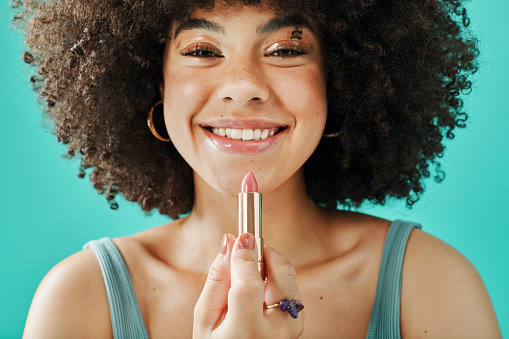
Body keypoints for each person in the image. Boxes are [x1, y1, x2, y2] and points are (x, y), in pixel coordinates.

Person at [16, 0, 501, 337]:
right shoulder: (82, 297)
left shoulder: (430, 282)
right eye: (202, 51)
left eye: (286, 50)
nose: (243, 85)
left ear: (339, 83)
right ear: (154, 82)